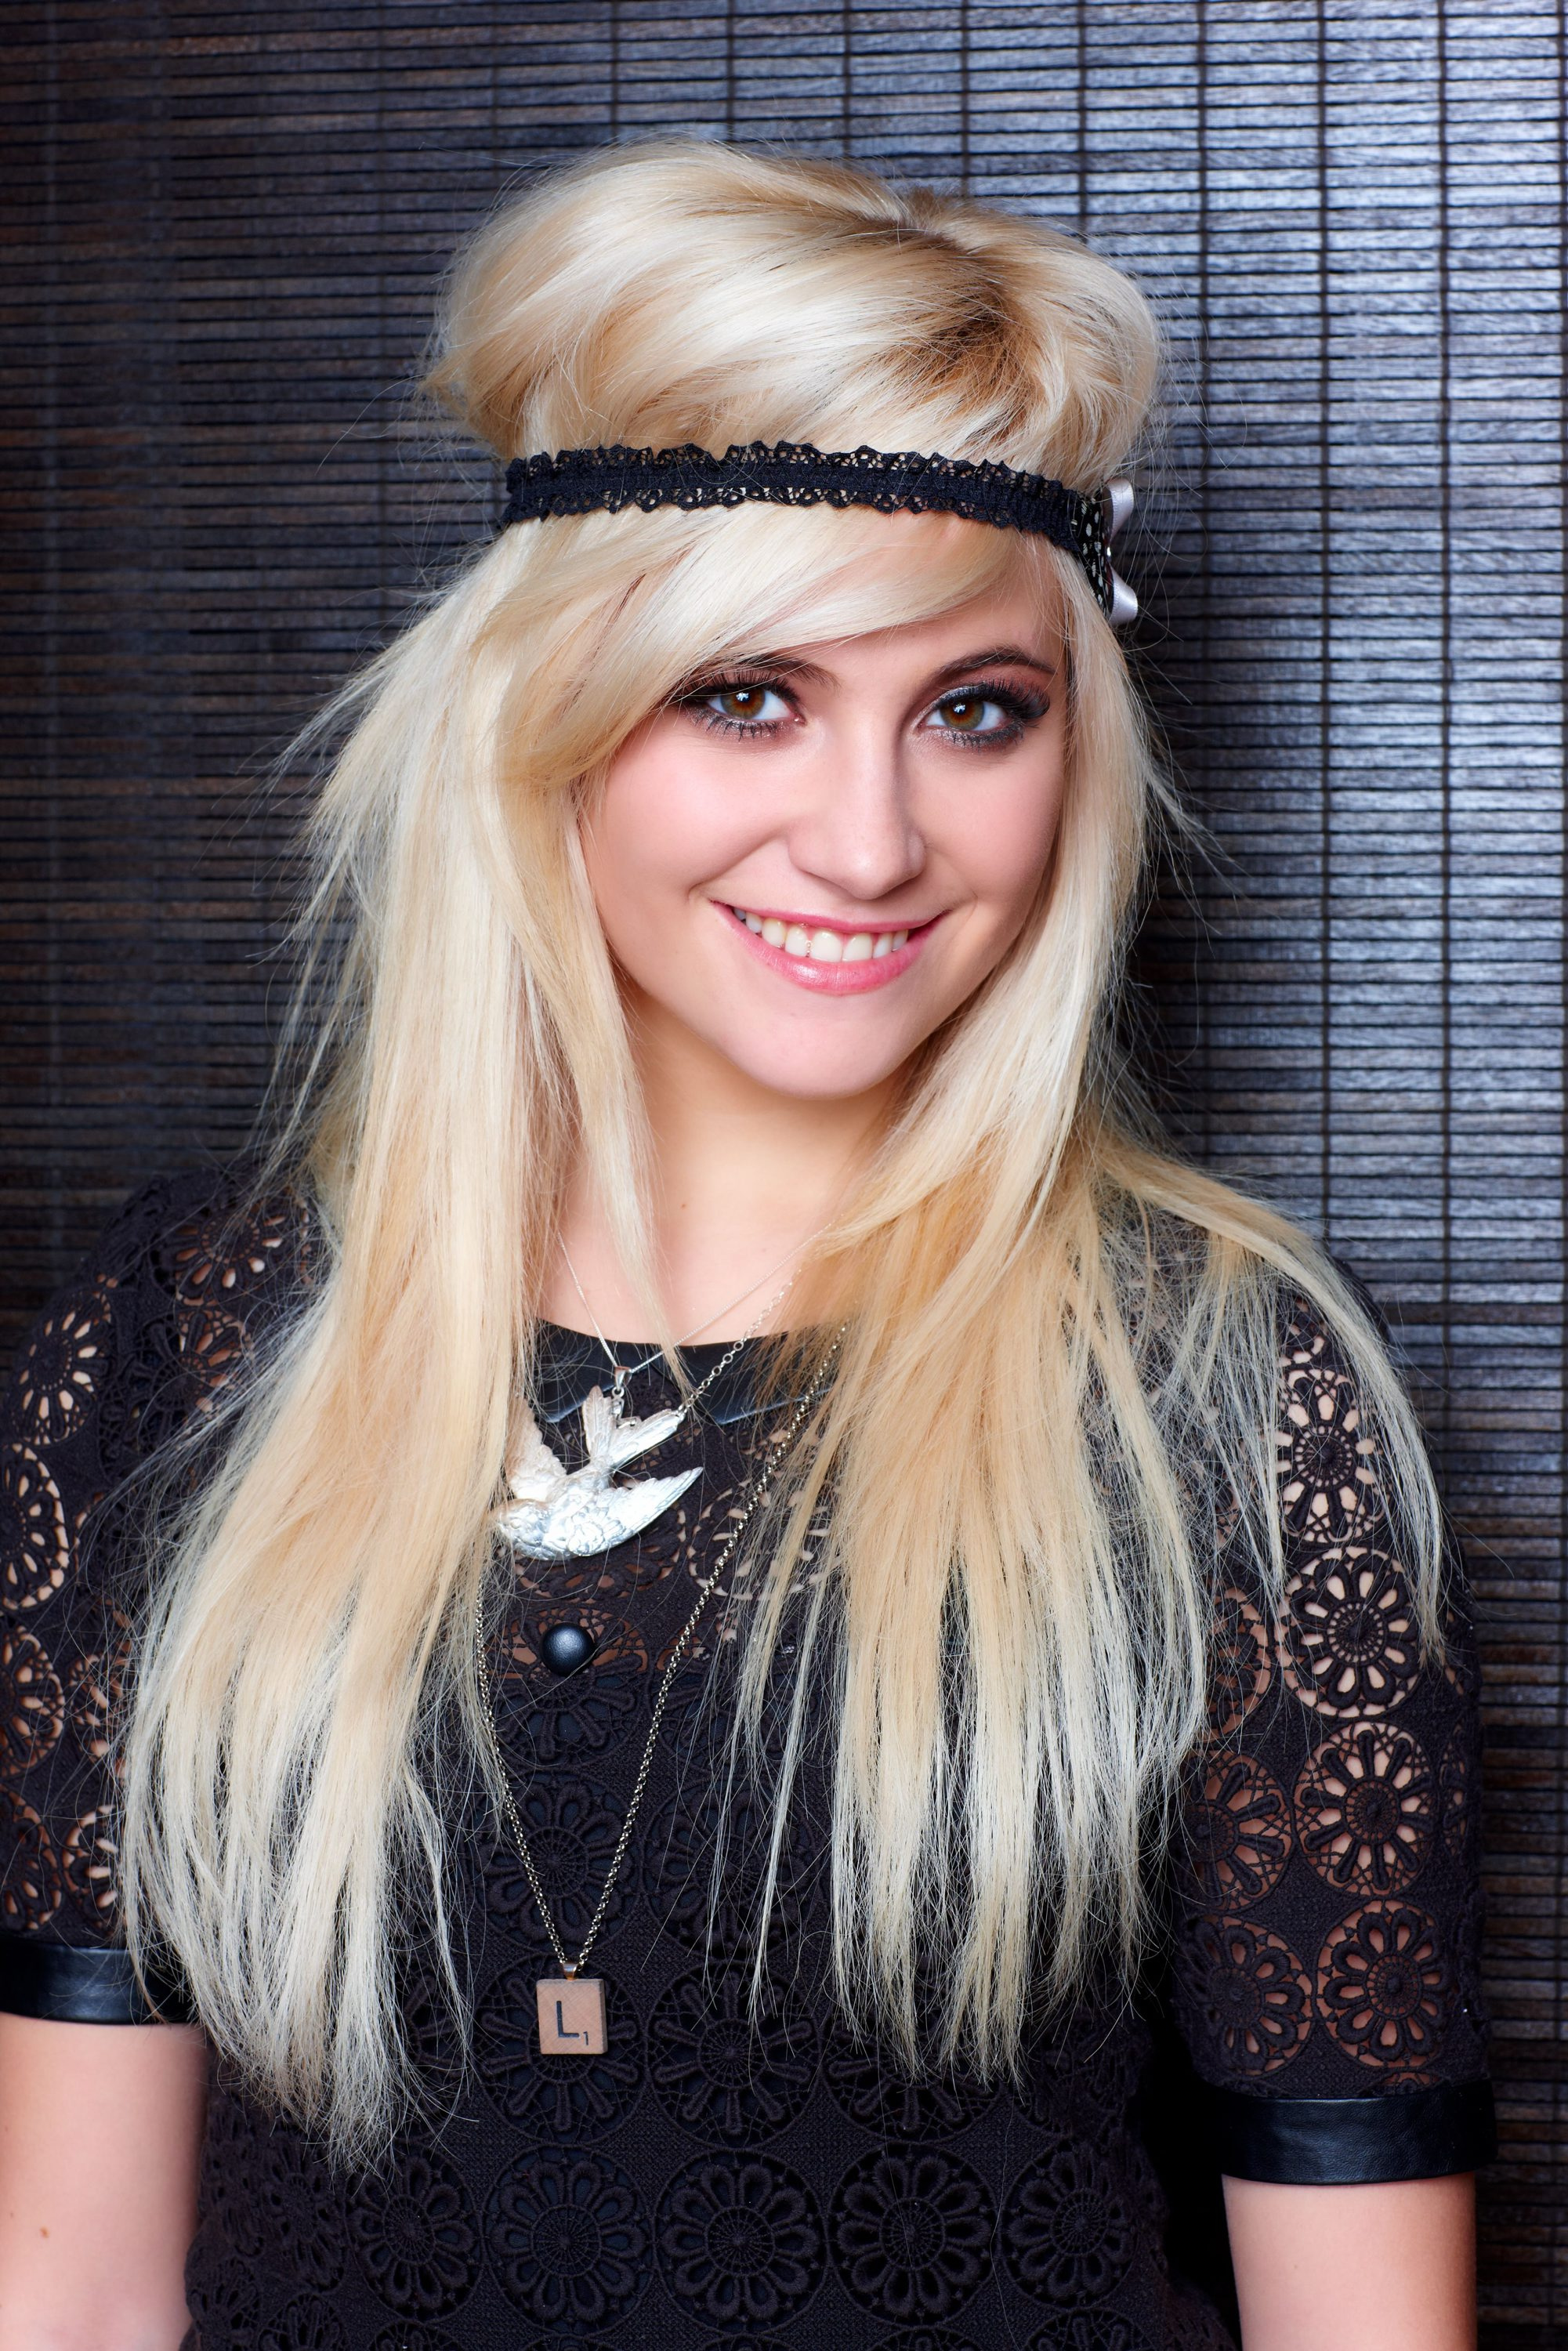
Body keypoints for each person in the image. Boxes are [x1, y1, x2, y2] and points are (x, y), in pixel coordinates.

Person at [0, 139, 1490, 2351]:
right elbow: (74, 2297)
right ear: (551, 714)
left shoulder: (1226, 1397)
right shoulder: (178, 1350)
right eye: (747, 696)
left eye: (973, 712)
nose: (871, 842)